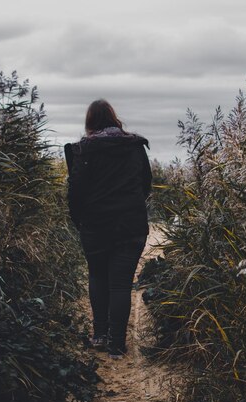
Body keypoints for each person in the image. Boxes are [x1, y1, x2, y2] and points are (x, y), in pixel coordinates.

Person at [64, 99, 152, 359]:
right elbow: (145, 184)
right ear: (114, 119)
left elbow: (75, 192)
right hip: (130, 225)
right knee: (121, 285)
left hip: (95, 226)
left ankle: (100, 335)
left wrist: (79, 220)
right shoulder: (135, 147)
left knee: (98, 277)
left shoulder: (82, 150)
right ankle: (117, 345)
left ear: (90, 122)